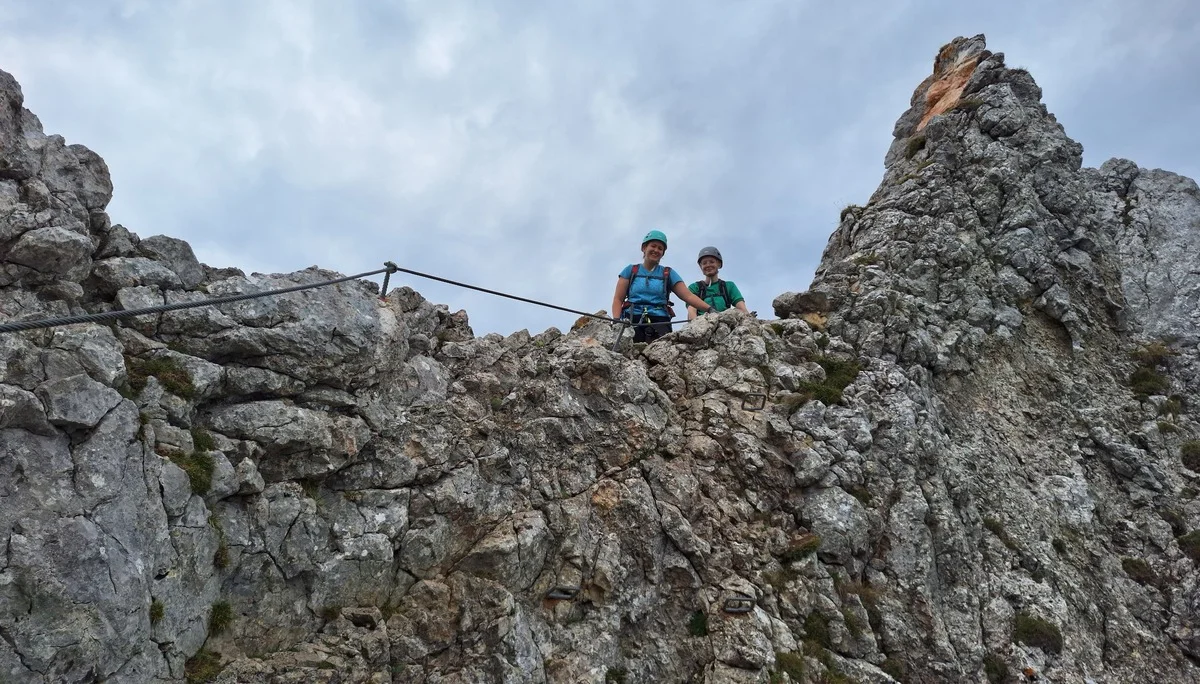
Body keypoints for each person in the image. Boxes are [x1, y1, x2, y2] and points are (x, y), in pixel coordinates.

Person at [612, 230, 715, 342]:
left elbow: (688, 296)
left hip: (660, 322)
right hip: (631, 320)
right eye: (653, 246)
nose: (656, 250)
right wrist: (617, 320)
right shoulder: (631, 270)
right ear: (644, 248)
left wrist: (709, 309)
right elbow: (618, 299)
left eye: (660, 248)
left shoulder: (668, 273)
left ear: (663, 253)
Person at [686, 246, 747, 320]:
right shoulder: (694, 288)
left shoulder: (729, 286)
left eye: (712, 262)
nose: (708, 265)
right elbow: (691, 311)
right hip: (702, 325)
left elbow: (742, 308)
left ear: (719, 264)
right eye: (704, 263)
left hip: (725, 324)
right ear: (700, 266)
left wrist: (749, 318)